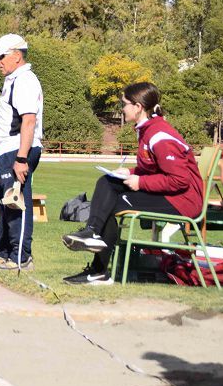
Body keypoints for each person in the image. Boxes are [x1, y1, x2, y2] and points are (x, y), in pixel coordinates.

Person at [62, 82, 203, 285]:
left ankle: (98, 268)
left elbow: (180, 180)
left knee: (108, 204)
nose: (122, 108)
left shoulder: (159, 135)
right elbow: (155, 169)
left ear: (138, 107)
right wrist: (129, 172)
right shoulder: (147, 129)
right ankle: (92, 238)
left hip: (183, 201)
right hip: (170, 193)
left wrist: (141, 181)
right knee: (107, 182)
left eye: (124, 103)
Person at [0, 34, 44, 271]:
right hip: (9, 149)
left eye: (1, 56)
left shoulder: (25, 80)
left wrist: (21, 158)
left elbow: (28, 121)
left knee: (16, 202)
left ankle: (21, 257)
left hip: (18, 149)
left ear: (17, 56)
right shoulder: (13, 79)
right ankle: (5, 253)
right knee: (2, 201)